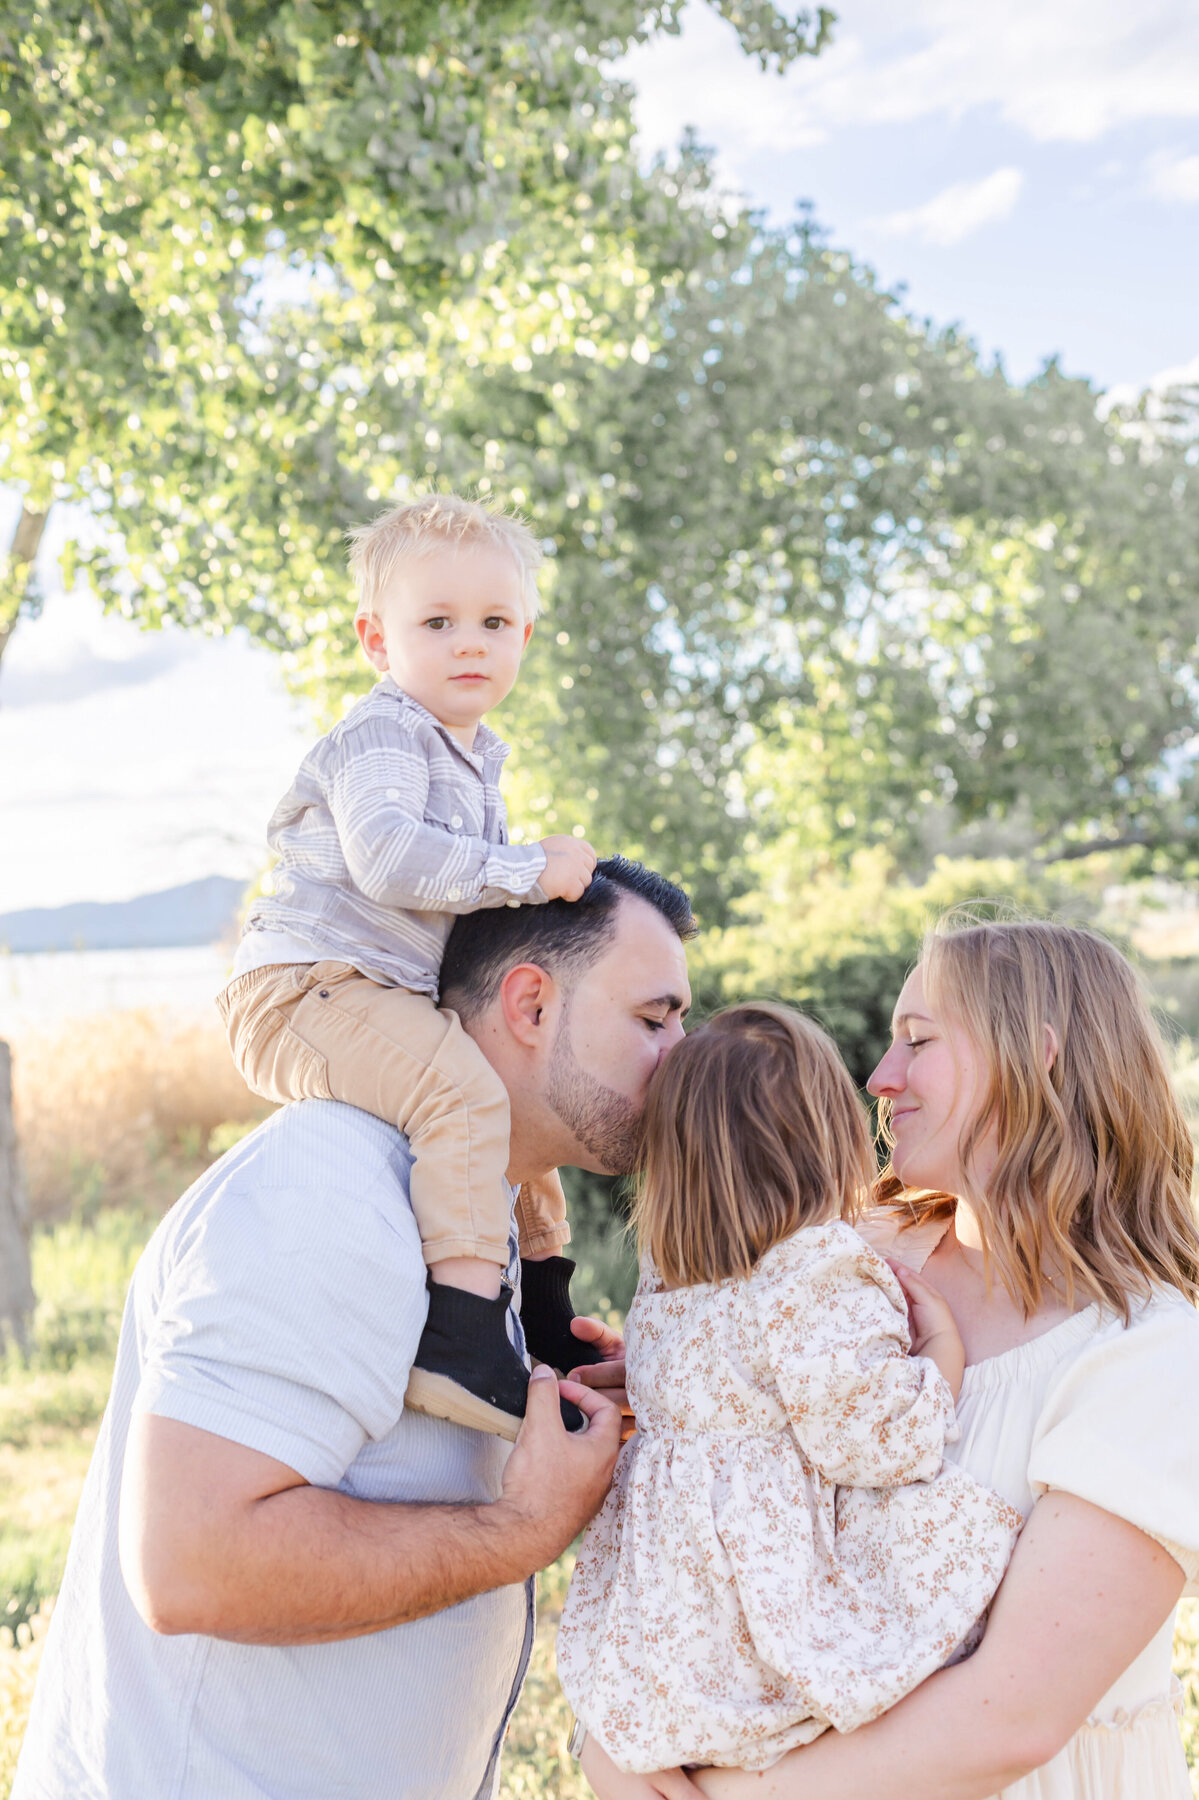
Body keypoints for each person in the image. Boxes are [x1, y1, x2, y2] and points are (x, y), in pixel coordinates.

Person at [12, 856, 694, 1800]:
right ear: (532, 1007)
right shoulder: (334, 1187)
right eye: (655, 1020)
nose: (683, 1055)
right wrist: (526, 1526)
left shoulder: (471, 1207)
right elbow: (193, 1563)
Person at [578, 916, 1199, 1800]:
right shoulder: (840, 1259)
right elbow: (689, 1516)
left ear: (1040, 1058)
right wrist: (615, 1742)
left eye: (919, 1041)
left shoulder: (1145, 1352)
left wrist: (716, 1794)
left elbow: (1008, 1720)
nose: (880, 1076)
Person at [218, 492, 602, 1439]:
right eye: (436, 622)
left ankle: (542, 1312)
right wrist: (528, 870)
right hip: (305, 990)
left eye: (494, 622)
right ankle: (461, 1338)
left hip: (371, 992)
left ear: (524, 635)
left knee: (517, 1100)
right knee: (462, 1101)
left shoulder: (475, 756)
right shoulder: (384, 733)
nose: (468, 642)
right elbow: (390, 857)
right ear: (378, 642)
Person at [558, 1002, 1020, 1775]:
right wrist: (940, 1350)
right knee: (972, 1558)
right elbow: (873, 1441)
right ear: (830, 1137)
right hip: (762, 1604)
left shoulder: (666, 1281)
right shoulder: (817, 1271)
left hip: (673, 1619)